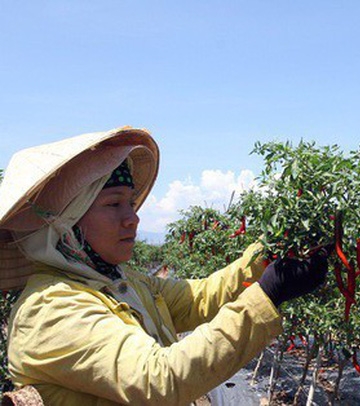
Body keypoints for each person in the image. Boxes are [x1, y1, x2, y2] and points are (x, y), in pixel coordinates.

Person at [0, 127, 330, 405]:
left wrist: (267, 252)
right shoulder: (49, 310)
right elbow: (159, 379)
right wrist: (265, 296)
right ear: (65, 224)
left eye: (130, 202)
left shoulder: (121, 282)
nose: (133, 218)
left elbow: (199, 297)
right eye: (114, 204)